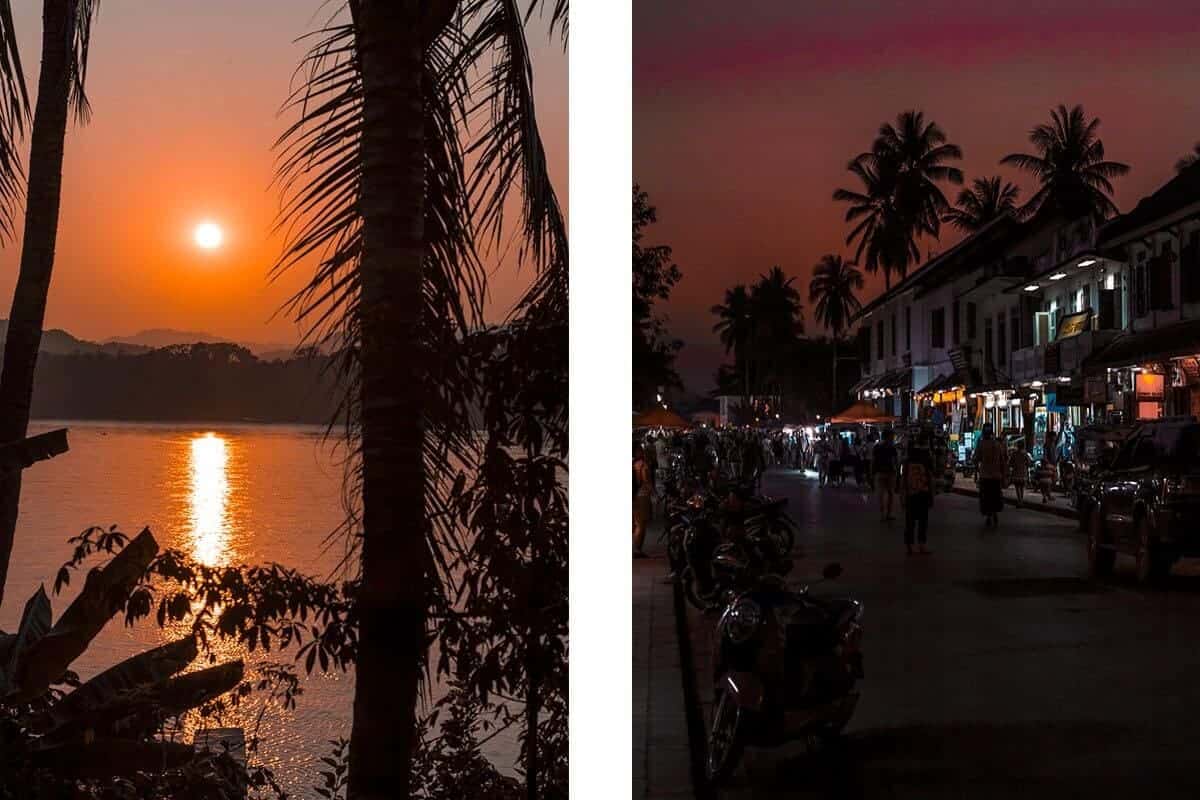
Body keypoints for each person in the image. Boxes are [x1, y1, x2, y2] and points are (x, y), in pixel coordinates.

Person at [900, 437, 934, 555]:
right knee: (922, 520)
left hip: (912, 493)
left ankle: (911, 545)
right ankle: (921, 545)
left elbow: (903, 478)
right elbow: (930, 478)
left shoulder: (907, 461)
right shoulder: (926, 460)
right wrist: (931, 494)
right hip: (922, 492)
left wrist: (902, 494)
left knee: (910, 520)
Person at [975, 423, 1007, 527]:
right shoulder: (997, 445)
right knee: (995, 496)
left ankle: (989, 515)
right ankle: (994, 513)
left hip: (985, 476)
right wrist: (1004, 474)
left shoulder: (981, 444)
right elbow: (1002, 460)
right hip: (996, 476)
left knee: (986, 497)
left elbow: (977, 458)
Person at [872, 430, 899, 521]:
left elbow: (873, 460)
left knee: (881, 494)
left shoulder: (877, 446)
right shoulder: (892, 447)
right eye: (892, 436)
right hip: (890, 472)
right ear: (889, 437)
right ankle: (889, 513)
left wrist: (872, 471)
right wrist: (897, 471)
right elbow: (895, 460)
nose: (893, 438)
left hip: (879, 472)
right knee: (891, 493)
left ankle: (882, 514)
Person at [633, 443, 653, 558]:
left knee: (637, 523)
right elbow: (646, 480)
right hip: (642, 496)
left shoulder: (633, 464)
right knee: (641, 524)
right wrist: (653, 492)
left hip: (634, 496)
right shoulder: (642, 465)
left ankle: (637, 548)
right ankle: (637, 549)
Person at [1008, 440, 1032, 507]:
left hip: (1016, 472)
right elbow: (1029, 463)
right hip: (1023, 472)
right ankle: (1021, 500)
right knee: (1022, 487)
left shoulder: (1014, 454)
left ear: (1018, 446)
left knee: (1017, 487)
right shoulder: (1025, 454)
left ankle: (1019, 501)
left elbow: (1010, 463)